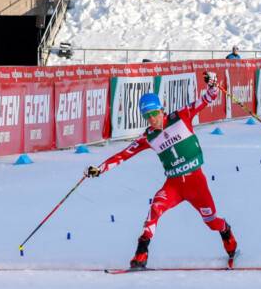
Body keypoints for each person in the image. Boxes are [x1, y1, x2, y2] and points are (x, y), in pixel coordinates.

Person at [84, 73, 237, 269]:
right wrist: (99, 169)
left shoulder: (180, 116)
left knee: (212, 222)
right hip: (174, 185)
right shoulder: (148, 136)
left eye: (154, 113)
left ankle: (227, 233)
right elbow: (123, 155)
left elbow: (208, 98)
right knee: (155, 208)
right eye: (146, 116)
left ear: (161, 109)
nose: (151, 119)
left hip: (195, 181)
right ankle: (141, 252)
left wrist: (213, 85)